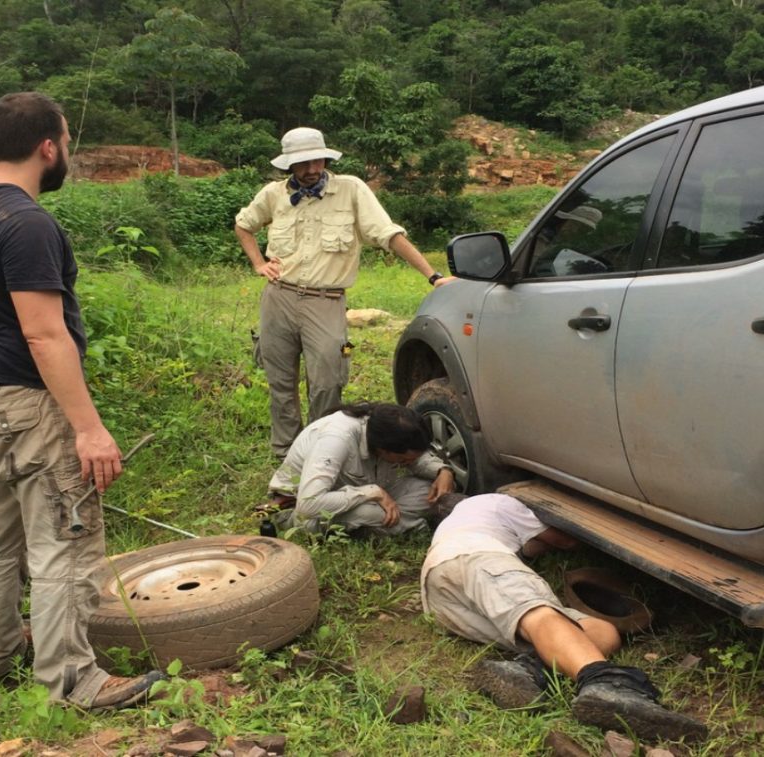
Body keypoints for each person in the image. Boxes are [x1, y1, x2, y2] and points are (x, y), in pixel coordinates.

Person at [0, 92, 164, 710]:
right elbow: (44, 333)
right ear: (49, 147)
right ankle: (72, 681)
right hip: (26, 402)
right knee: (66, 539)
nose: (68, 151)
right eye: (67, 142)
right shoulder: (27, 222)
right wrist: (88, 428)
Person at [235, 127, 453, 457]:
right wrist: (258, 263)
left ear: (326, 157)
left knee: (326, 383)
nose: (310, 170)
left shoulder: (350, 189)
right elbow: (244, 224)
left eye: (316, 161)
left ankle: (322, 450)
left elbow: (388, 235)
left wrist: (433, 276)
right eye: (302, 163)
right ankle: (286, 454)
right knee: (280, 383)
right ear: (288, 165)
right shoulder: (273, 194)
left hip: (325, 301)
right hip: (278, 298)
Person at [421, 493, 707, 742]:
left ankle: (529, 669)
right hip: (475, 557)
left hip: (442, 597)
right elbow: (563, 540)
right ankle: (606, 683)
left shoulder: (459, 525)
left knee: (602, 631)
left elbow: (532, 546)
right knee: (538, 613)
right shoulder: (496, 501)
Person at [261, 403, 456, 536]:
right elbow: (308, 505)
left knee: (430, 490)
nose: (407, 463)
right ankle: (414, 525)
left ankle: (384, 524)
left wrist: (443, 471)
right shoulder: (335, 439)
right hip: (301, 511)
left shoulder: (383, 427)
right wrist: (370, 492)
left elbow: (416, 456)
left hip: (363, 494)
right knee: (370, 513)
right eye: (403, 460)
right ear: (383, 449)